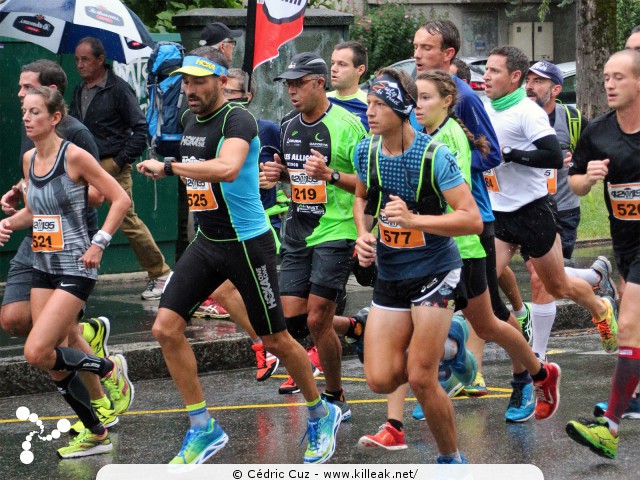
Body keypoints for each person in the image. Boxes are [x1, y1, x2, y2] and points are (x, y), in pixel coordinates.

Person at [136, 48, 342, 465]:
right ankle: (202, 426)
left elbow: (229, 168)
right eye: (186, 82)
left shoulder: (238, 120)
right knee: (165, 328)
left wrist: (170, 167)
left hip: (248, 244)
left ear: (219, 80)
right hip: (208, 242)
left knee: (276, 339)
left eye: (198, 81)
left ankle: (322, 413)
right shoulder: (190, 119)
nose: (190, 89)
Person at [358, 70, 561, 452]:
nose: (419, 105)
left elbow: (463, 211)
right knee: (418, 354)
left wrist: (414, 221)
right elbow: (372, 192)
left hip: (462, 247)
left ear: (446, 100)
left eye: (425, 98)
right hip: (411, 253)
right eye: (417, 98)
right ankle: (395, 420)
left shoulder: (446, 140)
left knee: (487, 325)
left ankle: (534, 373)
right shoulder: (382, 144)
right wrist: (366, 231)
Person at [411, 20, 544, 412]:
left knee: (489, 320)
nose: (417, 54)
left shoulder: (463, 98)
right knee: (425, 310)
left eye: (426, 48)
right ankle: (438, 376)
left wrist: (448, 168)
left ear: (448, 54)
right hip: (434, 223)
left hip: (471, 220)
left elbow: (491, 154)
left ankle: (527, 378)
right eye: (415, 46)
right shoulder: (420, 94)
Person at [352, 67, 483, 463]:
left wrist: (415, 221)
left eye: (379, 105)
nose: (370, 113)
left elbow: (471, 218)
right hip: (392, 273)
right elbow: (363, 198)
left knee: (422, 377)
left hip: (436, 271)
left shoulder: (434, 155)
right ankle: (451, 344)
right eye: (368, 105)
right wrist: (363, 234)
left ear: (403, 108)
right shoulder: (366, 151)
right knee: (379, 378)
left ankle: (451, 460)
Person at [0, 60, 133, 434]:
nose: (26, 117)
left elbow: (118, 198)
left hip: (76, 262)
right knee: (51, 356)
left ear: (56, 116)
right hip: (43, 261)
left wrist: (99, 244)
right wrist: (8, 222)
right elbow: (32, 210)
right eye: (24, 111)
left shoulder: (74, 152)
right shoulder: (29, 158)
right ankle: (95, 429)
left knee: (37, 351)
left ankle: (108, 368)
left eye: (35, 111)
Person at [482, 46, 618, 352]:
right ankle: (526, 355)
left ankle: (598, 308)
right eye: (486, 70)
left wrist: (510, 155)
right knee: (483, 278)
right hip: (499, 211)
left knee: (554, 284)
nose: (486, 76)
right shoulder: (486, 109)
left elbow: (553, 155)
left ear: (513, 77)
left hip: (533, 211)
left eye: (494, 71)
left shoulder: (527, 112)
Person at [263, 52, 367, 406]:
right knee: (291, 321)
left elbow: (369, 184)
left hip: (336, 230)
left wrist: (331, 175)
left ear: (320, 83)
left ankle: (333, 397)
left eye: (299, 83)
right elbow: (295, 179)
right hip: (298, 230)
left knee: (318, 318)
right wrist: (280, 176)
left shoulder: (349, 125)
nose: (291, 91)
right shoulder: (288, 124)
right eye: (288, 84)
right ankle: (356, 327)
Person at [565, 49, 640, 459]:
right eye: (606, 76)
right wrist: (588, 178)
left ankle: (609, 427)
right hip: (624, 242)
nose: (609, 84)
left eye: (619, 77)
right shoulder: (598, 131)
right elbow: (573, 182)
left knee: (628, 326)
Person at [70, 37, 171, 300]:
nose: (79, 65)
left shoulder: (118, 89)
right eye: (77, 60)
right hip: (82, 163)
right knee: (73, 214)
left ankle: (160, 274)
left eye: (85, 60)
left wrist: (117, 162)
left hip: (110, 163)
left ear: (101, 60)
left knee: (127, 221)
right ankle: (73, 274)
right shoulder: (80, 90)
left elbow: (141, 130)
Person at [328, 41, 369, 130]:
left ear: (360, 70)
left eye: (342, 64)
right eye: (332, 63)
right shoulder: (321, 101)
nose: (333, 69)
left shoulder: (370, 105)